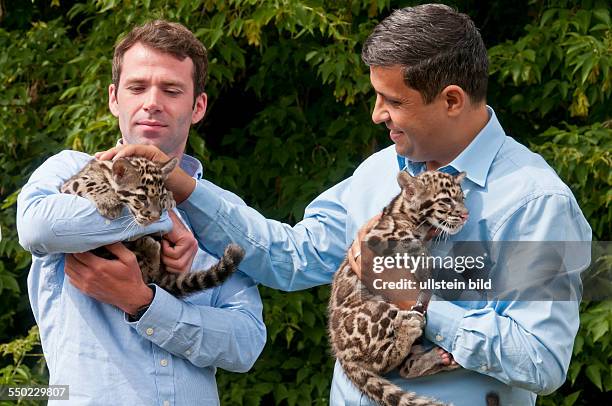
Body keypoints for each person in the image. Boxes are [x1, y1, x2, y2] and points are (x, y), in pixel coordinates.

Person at [97, 4, 592, 405]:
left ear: (453, 99)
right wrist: (186, 188)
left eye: (392, 101)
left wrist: (413, 299)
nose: (377, 114)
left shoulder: (537, 203)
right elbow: (292, 257)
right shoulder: (380, 172)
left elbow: (542, 360)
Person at [17, 20, 266, 406]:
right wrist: (165, 215)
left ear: (198, 106)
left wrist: (144, 304)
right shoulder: (66, 168)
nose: (152, 101)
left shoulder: (222, 211)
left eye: (171, 89)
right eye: (137, 87)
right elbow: (37, 227)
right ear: (114, 98)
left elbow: (245, 343)